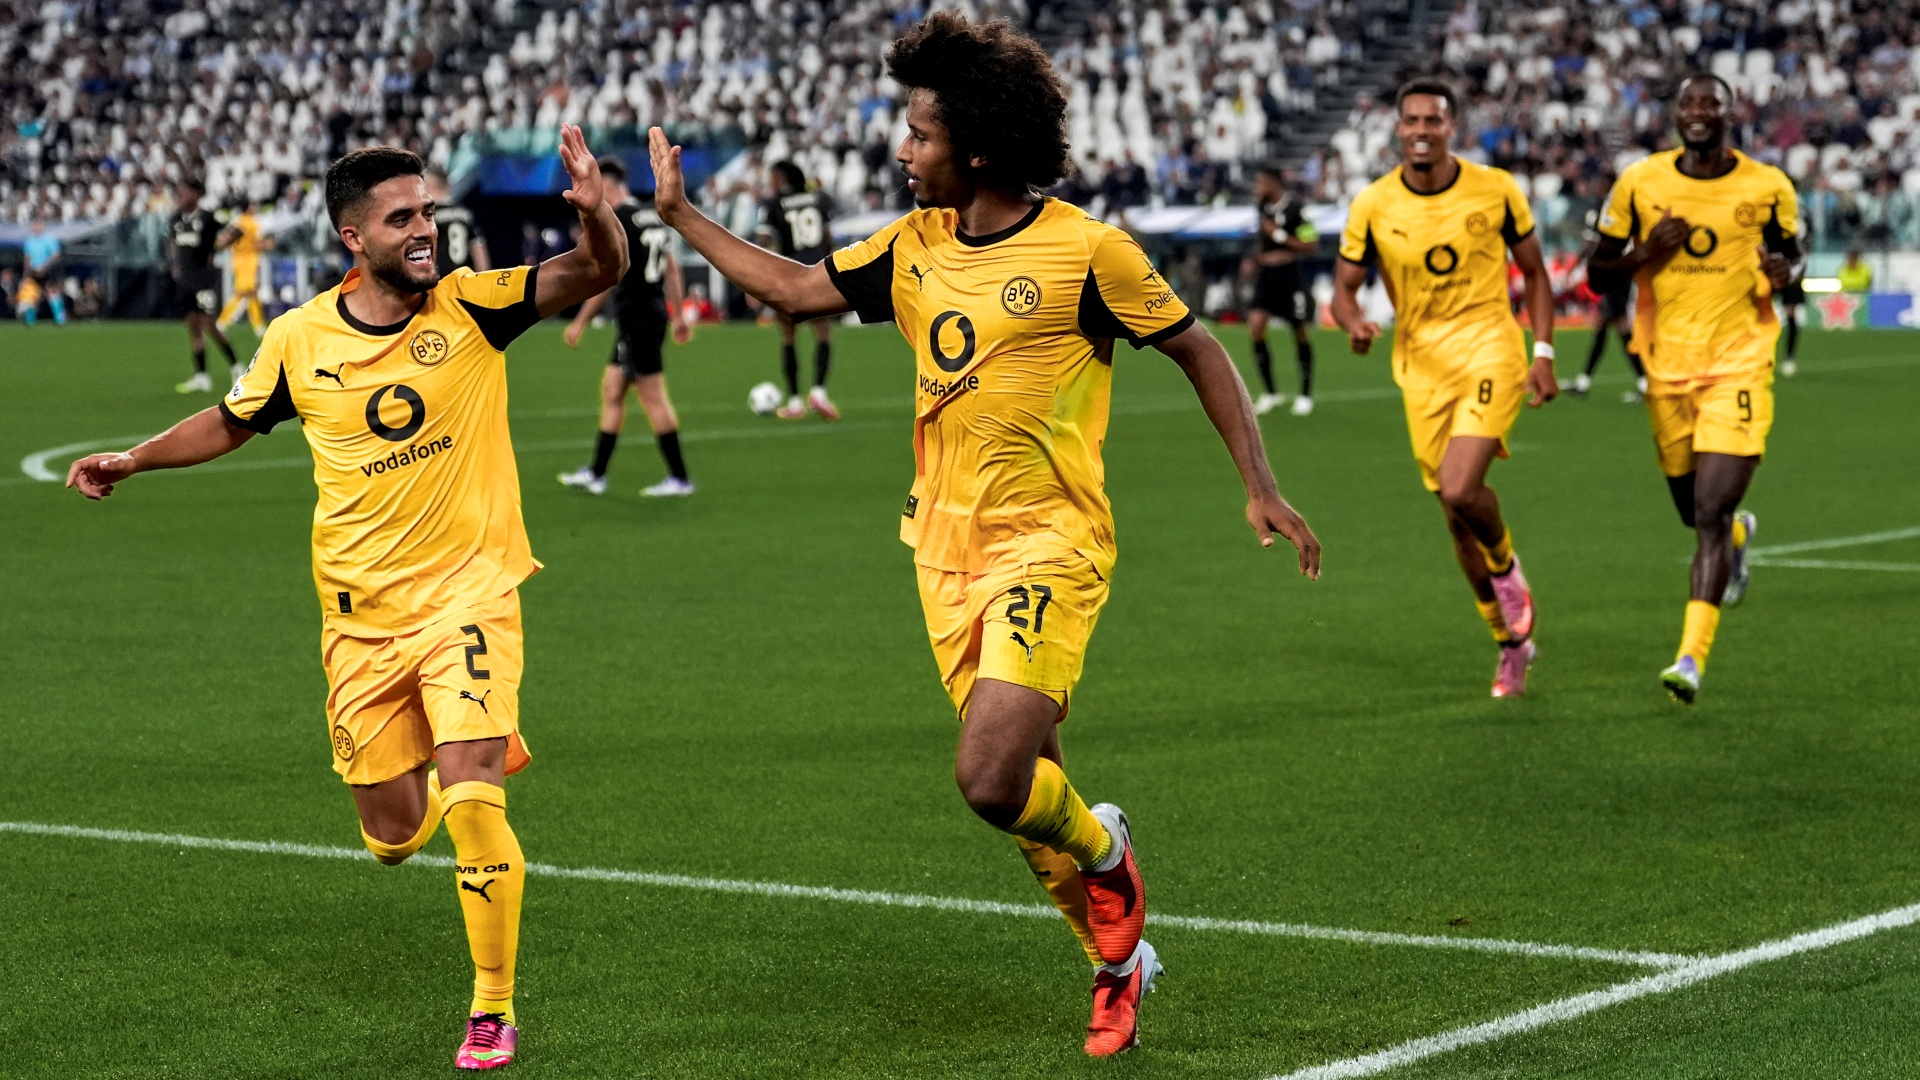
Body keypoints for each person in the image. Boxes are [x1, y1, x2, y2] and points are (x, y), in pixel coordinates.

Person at [646, 12, 1321, 1057]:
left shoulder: (1089, 252)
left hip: (1051, 543)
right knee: (1022, 793)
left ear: (980, 149)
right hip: (941, 550)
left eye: (918, 134)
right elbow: (787, 288)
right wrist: (680, 213)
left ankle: (1110, 859)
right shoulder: (911, 247)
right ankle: (1116, 964)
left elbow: (1199, 350)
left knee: (990, 776)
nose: (901, 150)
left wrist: (1260, 483)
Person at [66, 128, 627, 1069]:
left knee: (477, 797)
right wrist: (134, 457)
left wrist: (597, 215)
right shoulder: (298, 339)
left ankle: (493, 1006)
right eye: (402, 218)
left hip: (469, 598)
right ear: (351, 238)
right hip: (361, 621)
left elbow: (593, 270)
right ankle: (430, 809)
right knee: (393, 832)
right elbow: (231, 420)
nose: (424, 231)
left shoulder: (477, 307)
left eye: (429, 214)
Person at [1329, 77, 1560, 698]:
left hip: (1491, 349)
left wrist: (1542, 350)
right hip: (1420, 367)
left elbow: (1536, 275)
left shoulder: (1496, 188)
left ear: (1452, 127)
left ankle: (1509, 570)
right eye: (1412, 120)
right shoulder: (1374, 204)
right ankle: (1511, 644)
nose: (1422, 130)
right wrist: (1353, 324)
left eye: (1434, 120)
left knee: (1462, 486)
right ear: (1398, 129)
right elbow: (1344, 290)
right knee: (1455, 516)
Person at [1587, 74, 1800, 704]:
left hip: (1739, 364)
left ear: (1732, 112)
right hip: (1666, 369)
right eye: (1690, 103)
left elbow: (1794, 258)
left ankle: (1689, 660)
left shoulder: (1766, 186)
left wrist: (1787, 272)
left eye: (1711, 102)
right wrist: (1643, 253)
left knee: (1708, 513)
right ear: (1677, 114)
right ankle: (1739, 538)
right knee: (1694, 512)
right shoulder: (1640, 183)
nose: (1700, 112)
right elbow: (1599, 277)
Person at [558, 157, 695, 497]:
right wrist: (677, 314)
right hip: (648, 313)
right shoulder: (651, 217)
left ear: (607, 185)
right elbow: (672, 269)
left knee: (653, 396)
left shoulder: (618, 221)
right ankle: (596, 473)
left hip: (637, 317)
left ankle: (679, 479)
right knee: (612, 389)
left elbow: (607, 279)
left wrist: (580, 321)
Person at [757, 160, 840, 419]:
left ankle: (794, 402)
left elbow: (764, 241)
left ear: (781, 178)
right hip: (819, 272)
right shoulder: (818, 199)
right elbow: (827, 237)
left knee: (788, 336)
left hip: (790, 274)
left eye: (773, 178)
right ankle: (818, 392)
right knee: (823, 332)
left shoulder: (772, 204)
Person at [1244, 165, 1318, 416]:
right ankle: (1271, 392)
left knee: (1298, 330)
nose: (1258, 188)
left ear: (1274, 183)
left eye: (1261, 182)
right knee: (1255, 326)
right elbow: (1260, 238)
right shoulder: (1261, 208)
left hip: (1289, 275)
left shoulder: (1297, 208)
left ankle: (1305, 393)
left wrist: (1280, 236)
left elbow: (1311, 244)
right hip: (1266, 275)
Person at [168, 180, 241, 393]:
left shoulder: (208, 217)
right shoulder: (176, 219)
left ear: (196, 194)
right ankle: (202, 376)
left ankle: (237, 367)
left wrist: (218, 247)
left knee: (211, 325)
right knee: (193, 328)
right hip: (185, 281)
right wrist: (175, 264)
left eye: (184, 192)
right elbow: (171, 241)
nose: (180, 196)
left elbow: (236, 230)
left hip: (204, 280)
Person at [1567, 230, 1647, 402]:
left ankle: (1644, 383)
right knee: (1607, 332)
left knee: (1618, 332)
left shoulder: (1611, 231)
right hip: (1616, 282)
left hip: (1616, 282)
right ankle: (1583, 383)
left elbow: (1593, 250)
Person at [216, 199, 274, 336]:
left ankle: (258, 325)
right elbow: (255, 244)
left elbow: (225, 239)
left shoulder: (237, 222)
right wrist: (267, 245)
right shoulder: (252, 223)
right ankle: (223, 321)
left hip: (238, 260)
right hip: (248, 260)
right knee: (243, 292)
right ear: (248, 207)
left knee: (251, 293)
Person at [427, 166, 493, 276]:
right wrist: (483, 279)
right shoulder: (465, 214)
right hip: (464, 280)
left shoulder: (430, 216)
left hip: (440, 280)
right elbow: (478, 250)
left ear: (431, 186)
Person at [20, 217, 67, 326]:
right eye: (34, 225)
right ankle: (30, 320)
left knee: (51, 292)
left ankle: (60, 319)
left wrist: (44, 267)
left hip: (47, 270)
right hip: (33, 271)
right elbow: (27, 257)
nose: (36, 228)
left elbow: (56, 256)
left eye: (38, 225)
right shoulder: (29, 240)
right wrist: (26, 273)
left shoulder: (49, 239)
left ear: (42, 226)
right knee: (31, 294)